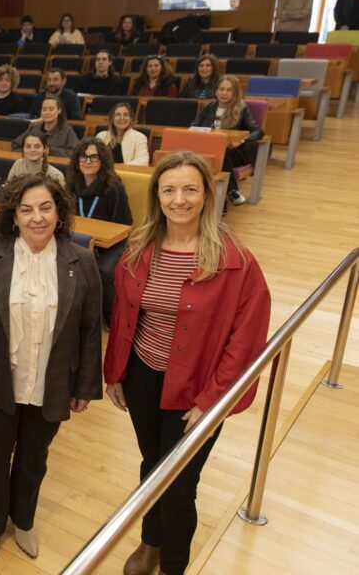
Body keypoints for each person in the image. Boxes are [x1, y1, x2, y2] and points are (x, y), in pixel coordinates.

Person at [103, 151, 269, 575]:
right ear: (156, 196)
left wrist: (212, 402)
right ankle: (152, 542)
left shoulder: (236, 260)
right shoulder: (139, 248)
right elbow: (124, 316)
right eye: (169, 190)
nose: (179, 199)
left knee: (179, 485)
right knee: (152, 464)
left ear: (207, 195)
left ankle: (173, 565)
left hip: (197, 389)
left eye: (190, 189)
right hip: (143, 376)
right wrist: (116, 373)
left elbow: (245, 342)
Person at [0, 174, 102, 565]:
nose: (37, 217)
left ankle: (23, 520)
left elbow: (90, 329)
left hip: (52, 381)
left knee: (33, 458)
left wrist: (84, 386)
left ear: (59, 213)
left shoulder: (82, 261)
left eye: (46, 208)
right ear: (13, 216)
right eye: (26, 210)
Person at [67, 138, 133, 316]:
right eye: (83, 157)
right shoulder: (72, 185)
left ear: (102, 160)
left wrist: (98, 246)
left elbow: (124, 223)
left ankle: (108, 315)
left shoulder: (114, 187)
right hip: (79, 241)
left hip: (111, 245)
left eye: (93, 157)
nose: (87, 161)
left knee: (101, 272)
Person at [190, 75, 264, 206]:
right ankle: (223, 199)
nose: (224, 93)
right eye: (221, 89)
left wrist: (240, 141)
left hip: (235, 152)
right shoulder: (207, 107)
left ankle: (230, 191)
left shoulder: (242, 108)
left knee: (222, 153)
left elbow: (258, 131)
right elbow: (193, 127)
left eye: (229, 90)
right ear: (216, 91)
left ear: (235, 92)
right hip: (209, 149)